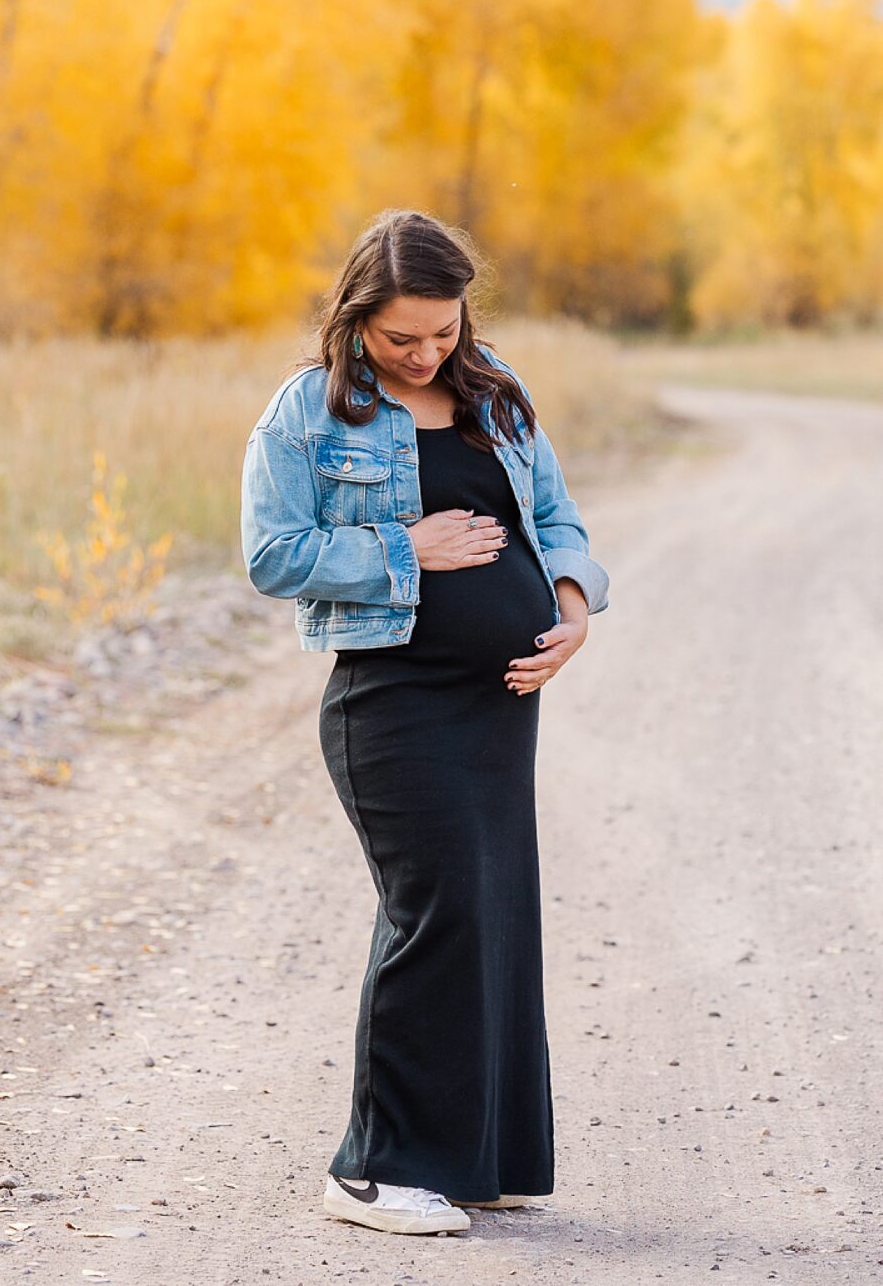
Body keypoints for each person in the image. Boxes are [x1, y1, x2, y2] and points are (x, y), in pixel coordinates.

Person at [239, 209, 610, 1237]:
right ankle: (375, 1167)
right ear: (357, 316)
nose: (423, 351)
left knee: (493, 914)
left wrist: (573, 610)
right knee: (434, 909)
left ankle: (470, 1158)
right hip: (389, 703)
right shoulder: (308, 411)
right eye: (402, 335)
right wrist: (405, 545)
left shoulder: (496, 390)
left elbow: (558, 520)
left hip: (500, 704)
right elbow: (273, 552)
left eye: (441, 331)